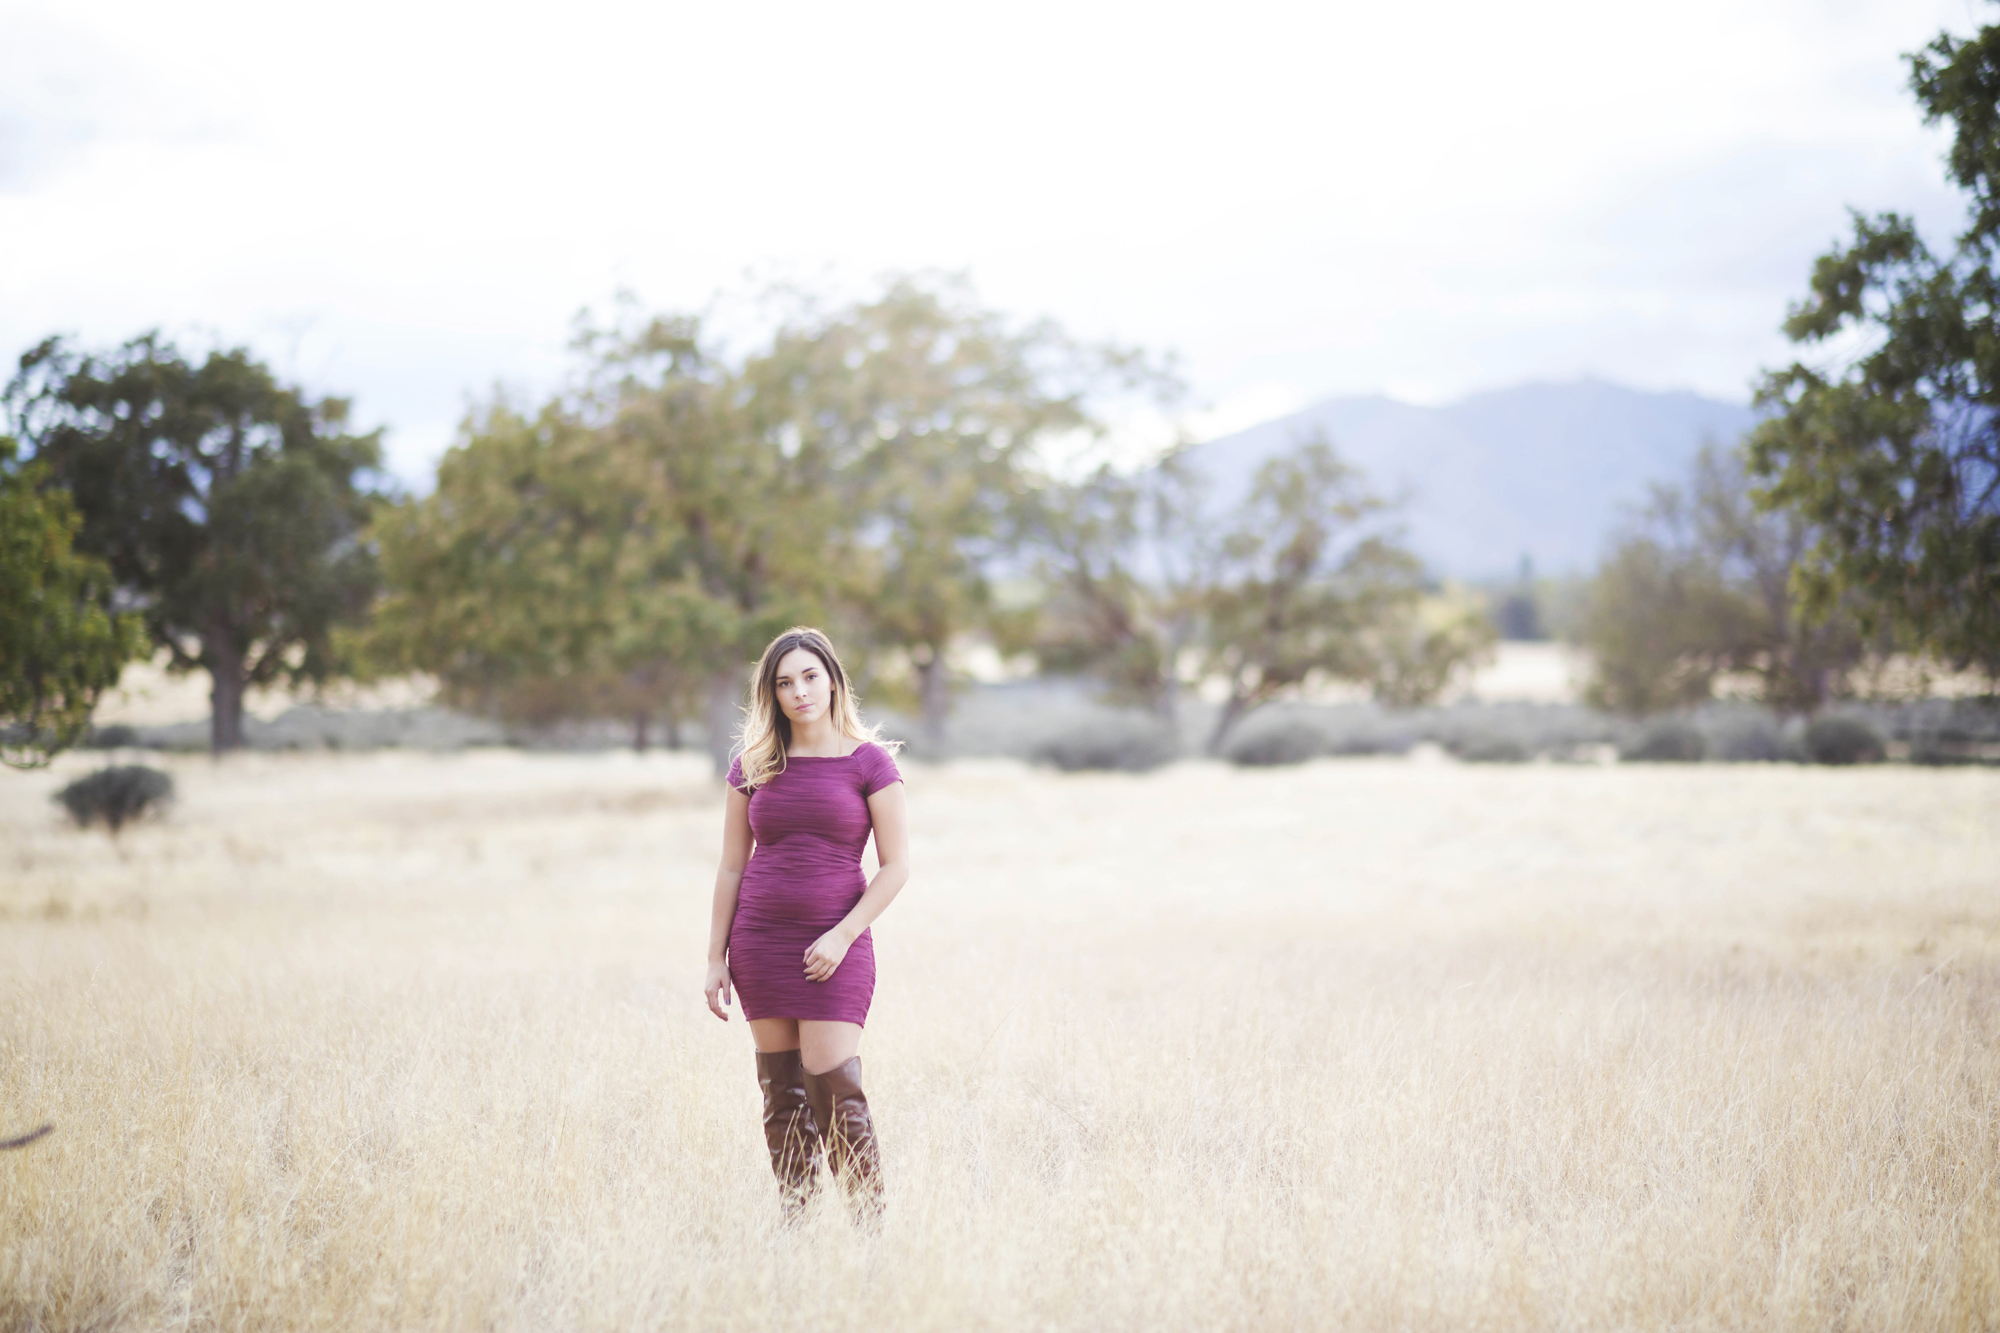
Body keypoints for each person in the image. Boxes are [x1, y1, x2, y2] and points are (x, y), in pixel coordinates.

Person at [703, 627, 910, 1218]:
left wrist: (843, 934)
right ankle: (797, 1228)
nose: (800, 692)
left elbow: (896, 868)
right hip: (759, 942)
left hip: (836, 945)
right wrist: (715, 957)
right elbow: (729, 867)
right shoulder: (753, 765)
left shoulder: (871, 763)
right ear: (772, 693)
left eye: (810, 676)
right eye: (784, 682)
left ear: (833, 679)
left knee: (835, 1090)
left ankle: (870, 1233)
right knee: (782, 1096)